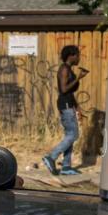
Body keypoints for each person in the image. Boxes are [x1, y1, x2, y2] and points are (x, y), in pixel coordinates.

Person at [42, 45, 88, 176]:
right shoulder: (64, 69)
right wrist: (78, 78)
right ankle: (51, 157)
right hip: (65, 104)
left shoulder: (68, 69)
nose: (79, 58)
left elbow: (70, 92)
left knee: (70, 135)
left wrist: (77, 107)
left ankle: (66, 166)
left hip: (69, 104)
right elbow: (64, 89)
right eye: (77, 55)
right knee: (73, 135)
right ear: (71, 56)